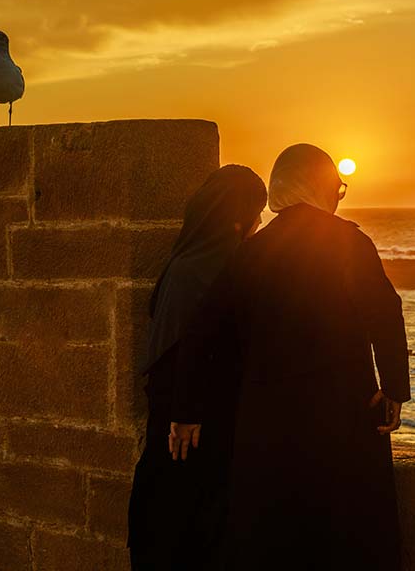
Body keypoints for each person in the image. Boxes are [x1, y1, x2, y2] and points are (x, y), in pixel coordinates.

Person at [171, 143, 411, 570]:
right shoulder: (349, 242)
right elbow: (385, 312)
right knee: (347, 536)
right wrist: (394, 388)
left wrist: (187, 410)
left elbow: (204, 329)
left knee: (274, 540)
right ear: (319, 186)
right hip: (343, 415)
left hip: (268, 422)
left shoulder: (253, 251)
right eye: (337, 190)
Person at [128, 164, 268, 571]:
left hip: (172, 418)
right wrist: (188, 413)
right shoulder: (223, 267)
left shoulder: (183, 262)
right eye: (256, 213)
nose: (259, 223)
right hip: (197, 425)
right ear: (239, 216)